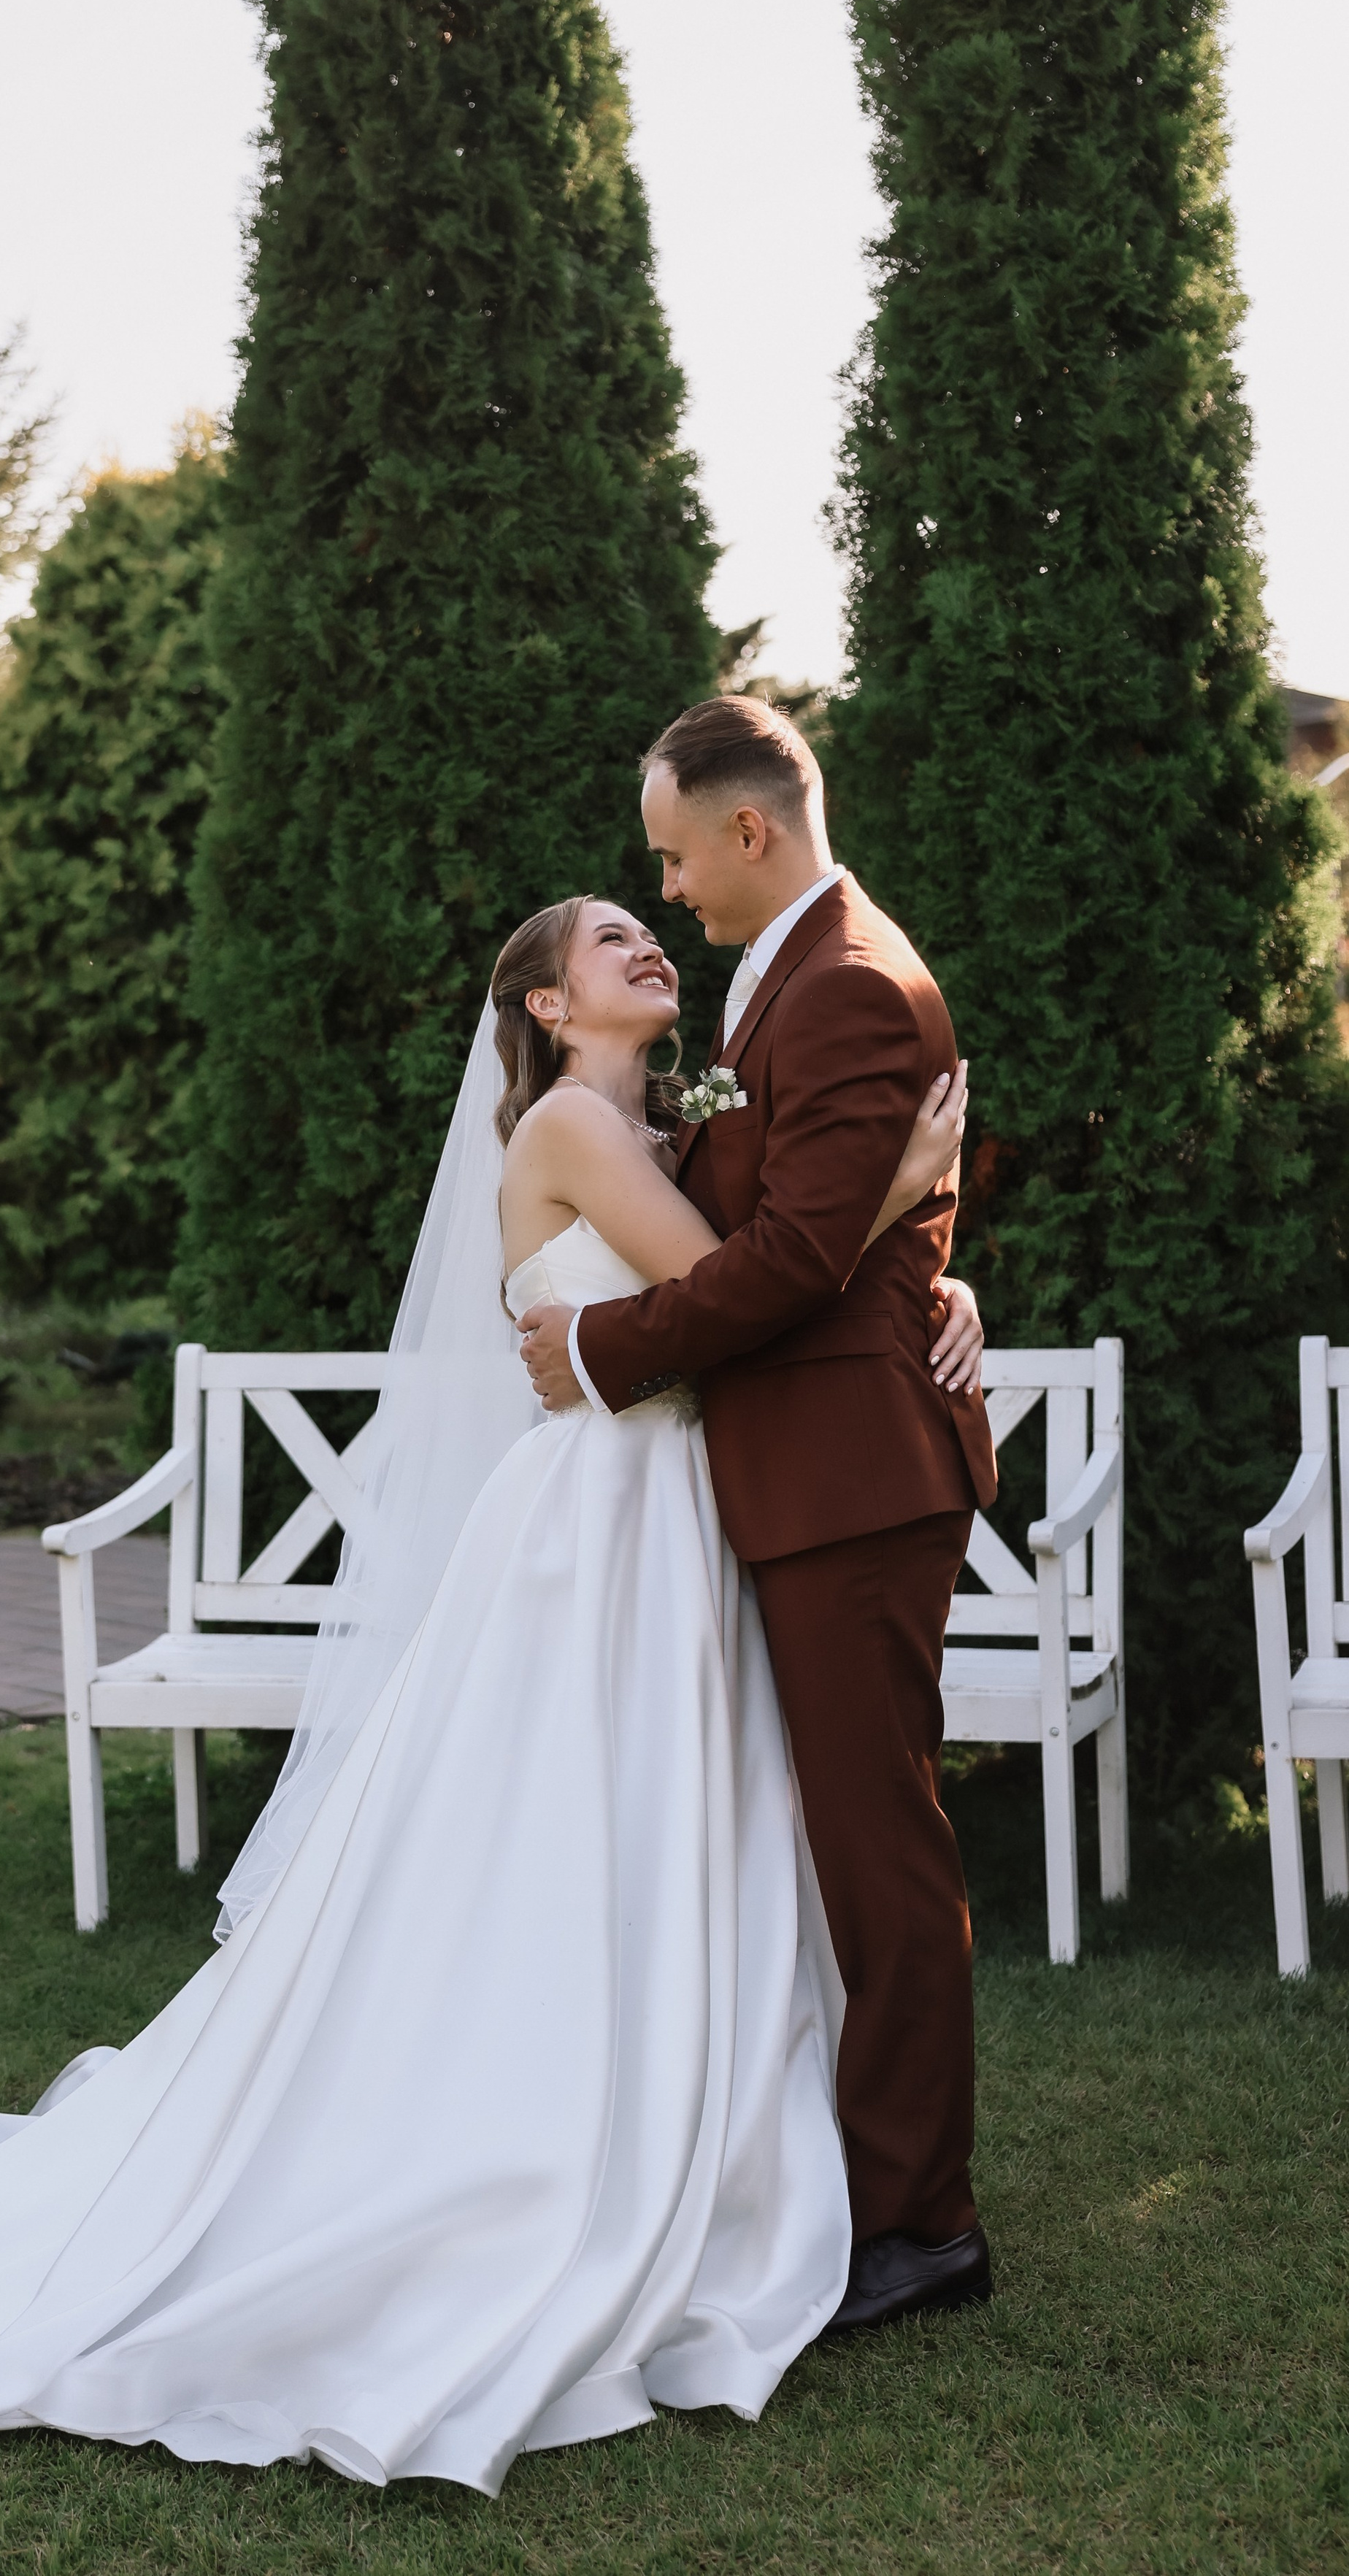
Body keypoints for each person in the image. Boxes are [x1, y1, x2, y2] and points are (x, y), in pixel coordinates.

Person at [0, 885, 978, 2493]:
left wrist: (930, 1283)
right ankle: (563, 2141)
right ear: (543, 1009)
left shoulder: (655, 1127)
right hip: (598, 1536)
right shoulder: (577, 1139)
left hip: (671, 1523)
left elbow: (757, 1273)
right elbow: (748, 1292)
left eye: (643, 930)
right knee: (575, 1838)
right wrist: (895, 1197)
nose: (645, 947)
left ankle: (705, 2128)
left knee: (668, 1830)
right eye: (608, 942)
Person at [518, 695, 999, 2335]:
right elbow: (794, 1221)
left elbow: (789, 1266)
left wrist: (591, 1345)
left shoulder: (846, 982)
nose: (664, 893)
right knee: (834, 1842)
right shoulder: (782, 975)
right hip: (800, 1466)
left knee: (876, 1850)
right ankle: (841, 2175)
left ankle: (918, 2224)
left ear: (746, 830)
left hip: (849, 1476)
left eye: (670, 857)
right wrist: (910, 1240)